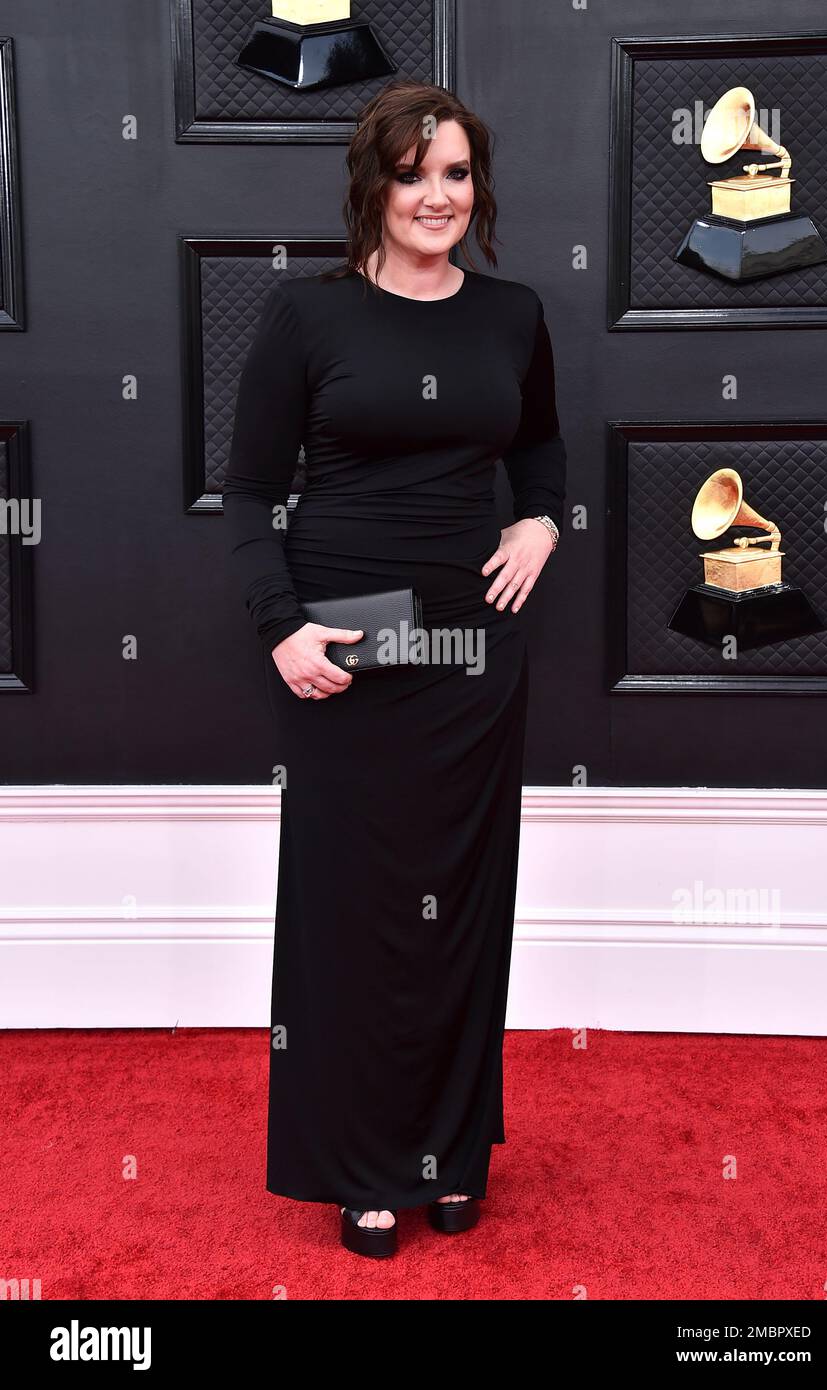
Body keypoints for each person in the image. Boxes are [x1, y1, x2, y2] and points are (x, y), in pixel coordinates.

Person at [222, 78, 567, 1259]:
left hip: (470, 644)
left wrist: (541, 524)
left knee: (462, 900)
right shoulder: (305, 319)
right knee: (356, 909)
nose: (438, 196)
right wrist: (280, 624)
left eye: (458, 173)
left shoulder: (513, 313)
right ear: (373, 186)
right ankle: (366, 1166)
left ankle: (451, 1153)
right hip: (346, 636)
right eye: (416, 173)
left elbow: (540, 449)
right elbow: (253, 492)